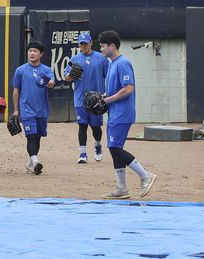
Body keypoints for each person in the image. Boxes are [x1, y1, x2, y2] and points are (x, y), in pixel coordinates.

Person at [98, 30, 157, 199]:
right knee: (114, 149)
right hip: (115, 113)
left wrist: (107, 100)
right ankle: (122, 188)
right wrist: (104, 97)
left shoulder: (123, 63)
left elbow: (128, 89)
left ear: (112, 46)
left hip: (122, 114)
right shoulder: (111, 64)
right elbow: (115, 89)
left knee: (114, 148)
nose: (101, 49)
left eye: (102, 46)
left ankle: (146, 175)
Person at [11, 41, 55, 175]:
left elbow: (52, 84)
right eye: (30, 51)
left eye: (35, 51)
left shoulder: (46, 70)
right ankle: (35, 161)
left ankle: (31, 162)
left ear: (41, 54)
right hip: (26, 110)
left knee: (38, 137)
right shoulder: (21, 70)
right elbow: (16, 90)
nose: (32, 53)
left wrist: (46, 82)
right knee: (31, 136)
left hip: (41, 110)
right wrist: (16, 110)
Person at [64, 32, 109, 163]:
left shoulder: (101, 58)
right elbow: (66, 78)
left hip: (96, 98)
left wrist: (107, 94)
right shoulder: (75, 59)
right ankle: (83, 154)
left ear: (91, 43)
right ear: (79, 45)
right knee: (82, 125)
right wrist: (72, 74)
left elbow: (109, 75)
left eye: (86, 43)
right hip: (80, 98)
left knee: (96, 127)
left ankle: (98, 145)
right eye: (81, 43)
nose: (84, 46)